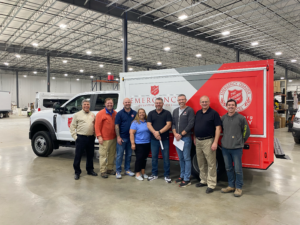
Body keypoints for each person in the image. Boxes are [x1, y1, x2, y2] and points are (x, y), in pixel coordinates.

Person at [221, 99, 250, 197]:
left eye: (232, 105)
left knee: (238, 169)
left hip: (237, 148)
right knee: (228, 168)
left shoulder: (241, 118)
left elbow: (246, 131)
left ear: (235, 106)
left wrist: (240, 141)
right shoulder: (223, 118)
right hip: (225, 148)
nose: (230, 106)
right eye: (229, 105)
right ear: (226, 106)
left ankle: (239, 187)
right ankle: (231, 186)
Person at [194, 96, 221, 194]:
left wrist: (215, 142)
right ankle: (203, 180)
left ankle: (211, 184)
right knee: (201, 163)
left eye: (206, 102)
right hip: (198, 141)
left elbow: (218, 128)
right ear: (200, 103)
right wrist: (194, 138)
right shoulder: (198, 113)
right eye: (202, 102)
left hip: (208, 141)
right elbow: (196, 126)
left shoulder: (214, 113)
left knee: (211, 164)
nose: (204, 103)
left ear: (209, 102)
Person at [70, 99, 97, 180]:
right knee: (78, 156)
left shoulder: (92, 115)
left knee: (90, 155)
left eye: (88, 104)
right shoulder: (77, 115)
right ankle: (77, 172)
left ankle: (90, 170)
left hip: (90, 138)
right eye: (85, 104)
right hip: (81, 138)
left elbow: (95, 126)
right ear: (82, 106)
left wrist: (94, 136)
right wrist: (75, 137)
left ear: (89, 105)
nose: (86, 106)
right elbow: (72, 127)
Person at [147, 97, 172, 183]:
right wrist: (155, 133)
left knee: (166, 158)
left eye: (159, 103)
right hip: (154, 140)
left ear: (162, 104)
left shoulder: (167, 113)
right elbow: (149, 125)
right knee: (154, 158)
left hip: (164, 139)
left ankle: (167, 175)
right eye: (157, 103)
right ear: (155, 104)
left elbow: (168, 125)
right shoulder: (151, 113)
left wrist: (159, 132)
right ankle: (154, 174)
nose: (158, 104)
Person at [172, 94, 195, 187]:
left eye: (182, 99)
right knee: (180, 158)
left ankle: (187, 178)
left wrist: (181, 134)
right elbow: (173, 124)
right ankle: (181, 176)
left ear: (185, 100)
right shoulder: (175, 111)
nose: (181, 101)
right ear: (177, 101)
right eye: (179, 100)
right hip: (177, 138)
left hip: (185, 138)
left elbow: (191, 124)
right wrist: (175, 134)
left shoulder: (189, 110)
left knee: (186, 158)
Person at [95, 98, 117, 178]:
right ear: (105, 104)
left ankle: (109, 169)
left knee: (112, 154)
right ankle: (103, 171)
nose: (110, 104)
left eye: (111, 103)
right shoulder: (100, 113)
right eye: (108, 103)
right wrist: (99, 136)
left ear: (113, 104)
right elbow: (97, 126)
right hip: (104, 139)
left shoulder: (115, 113)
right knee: (103, 155)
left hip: (113, 138)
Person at [115, 98, 137, 179]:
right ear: (123, 103)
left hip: (131, 138)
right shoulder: (119, 114)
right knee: (120, 155)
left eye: (128, 102)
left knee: (129, 155)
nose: (127, 103)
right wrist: (118, 137)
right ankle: (118, 171)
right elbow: (116, 125)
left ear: (130, 103)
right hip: (122, 138)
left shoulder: (134, 113)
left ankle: (127, 169)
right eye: (126, 102)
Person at [130, 108, 151, 181]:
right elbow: (131, 133)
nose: (141, 114)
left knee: (144, 159)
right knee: (139, 159)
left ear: (145, 114)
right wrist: (133, 144)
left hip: (147, 143)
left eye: (143, 112)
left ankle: (143, 172)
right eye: (140, 113)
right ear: (138, 114)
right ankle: (137, 173)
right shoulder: (135, 122)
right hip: (139, 143)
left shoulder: (147, 122)